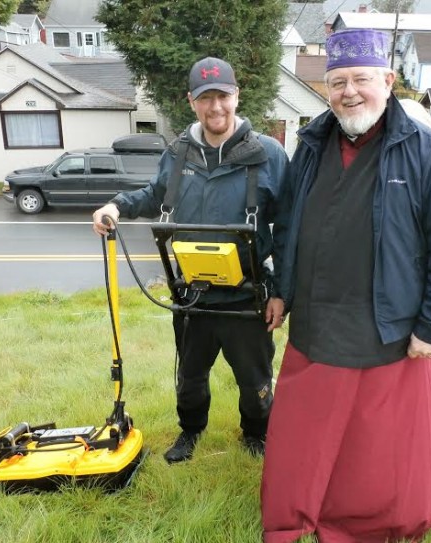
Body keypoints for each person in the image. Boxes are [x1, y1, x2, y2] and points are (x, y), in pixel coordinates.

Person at [261, 29, 431, 543]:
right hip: (316, 323)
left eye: (360, 78)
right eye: (337, 82)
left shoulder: (428, 153)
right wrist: (281, 290)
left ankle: (373, 518)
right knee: (306, 436)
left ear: (388, 79)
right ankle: (300, 507)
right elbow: (289, 226)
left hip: (390, 330)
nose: (349, 92)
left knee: (377, 445)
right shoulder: (310, 147)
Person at [92, 57, 288, 463]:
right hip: (192, 297)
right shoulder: (179, 153)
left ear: (237, 96)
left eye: (223, 96)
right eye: (206, 99)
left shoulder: (267, 154)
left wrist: (283, 294)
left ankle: (255, 433)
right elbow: (152, 194)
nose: (216, 107)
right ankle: (190, 431)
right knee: (190, 379)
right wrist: (115, 206)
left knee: (255, 383)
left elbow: (288, 229)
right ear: (191, 102)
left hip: (248, 296)